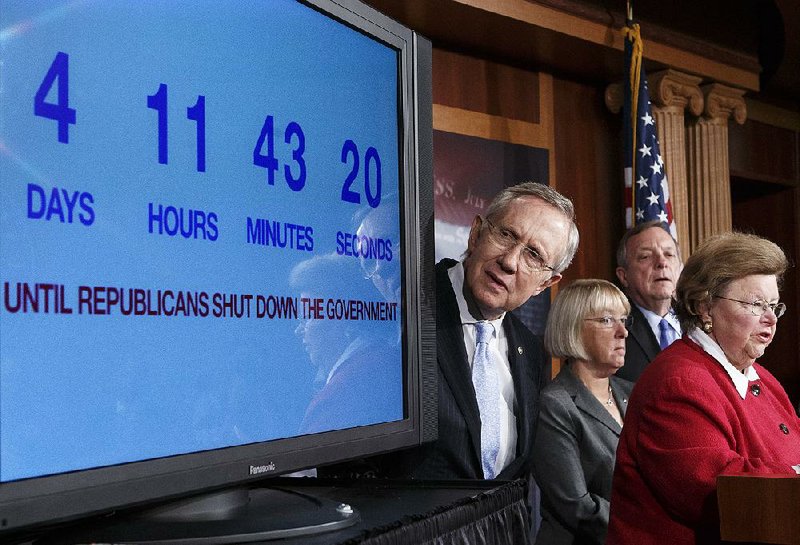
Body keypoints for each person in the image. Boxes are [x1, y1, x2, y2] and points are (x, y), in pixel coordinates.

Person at [606, 232, 800, 545]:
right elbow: (718, 491)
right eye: (756, 304)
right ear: (705, 307)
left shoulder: (763, 379)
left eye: (774, 307)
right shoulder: (677, 383)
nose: (769, 319)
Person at [381, 181, 579, 481]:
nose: (510, 261)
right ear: (475, 234)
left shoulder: (530, 351)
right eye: (506, 234)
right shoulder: (403, 309)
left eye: (534, 255)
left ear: (544, 284)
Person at [533, 279, 634, 545]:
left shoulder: (633, 394)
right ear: (573, 328)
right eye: (607, 320)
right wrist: (646, 527)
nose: (622, 331)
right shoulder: (557, 403)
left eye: (623, 319)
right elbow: (576, 506)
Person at [614, 220, 682, 382]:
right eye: (645, 256)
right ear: (624, 276)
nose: (662, 263)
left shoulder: (702, 322)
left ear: (680, 268)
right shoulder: (614, 329)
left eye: (669, 254)